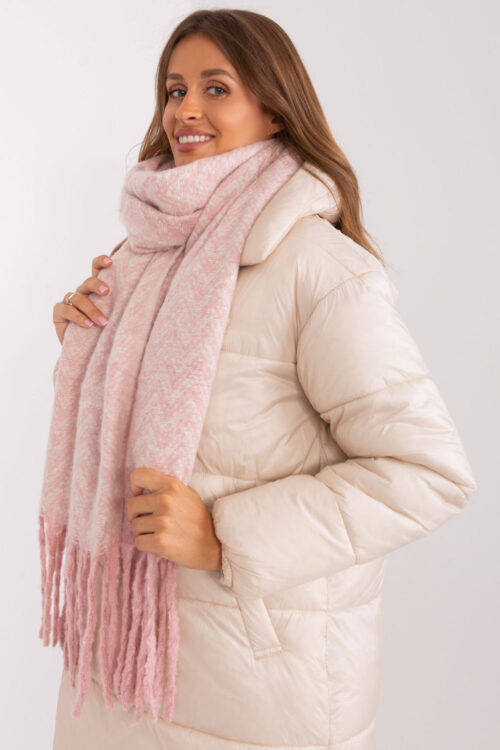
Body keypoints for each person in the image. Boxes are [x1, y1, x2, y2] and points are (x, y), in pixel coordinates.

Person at [47, 9, 477, 750]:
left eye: (216, 88)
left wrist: (225, 535)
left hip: (255, 697)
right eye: (175, 90)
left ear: (275, 109)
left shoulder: (319, 269)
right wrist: (84, 347)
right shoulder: (144, 255)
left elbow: (428, 472)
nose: (186, 110)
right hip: (118, 675)